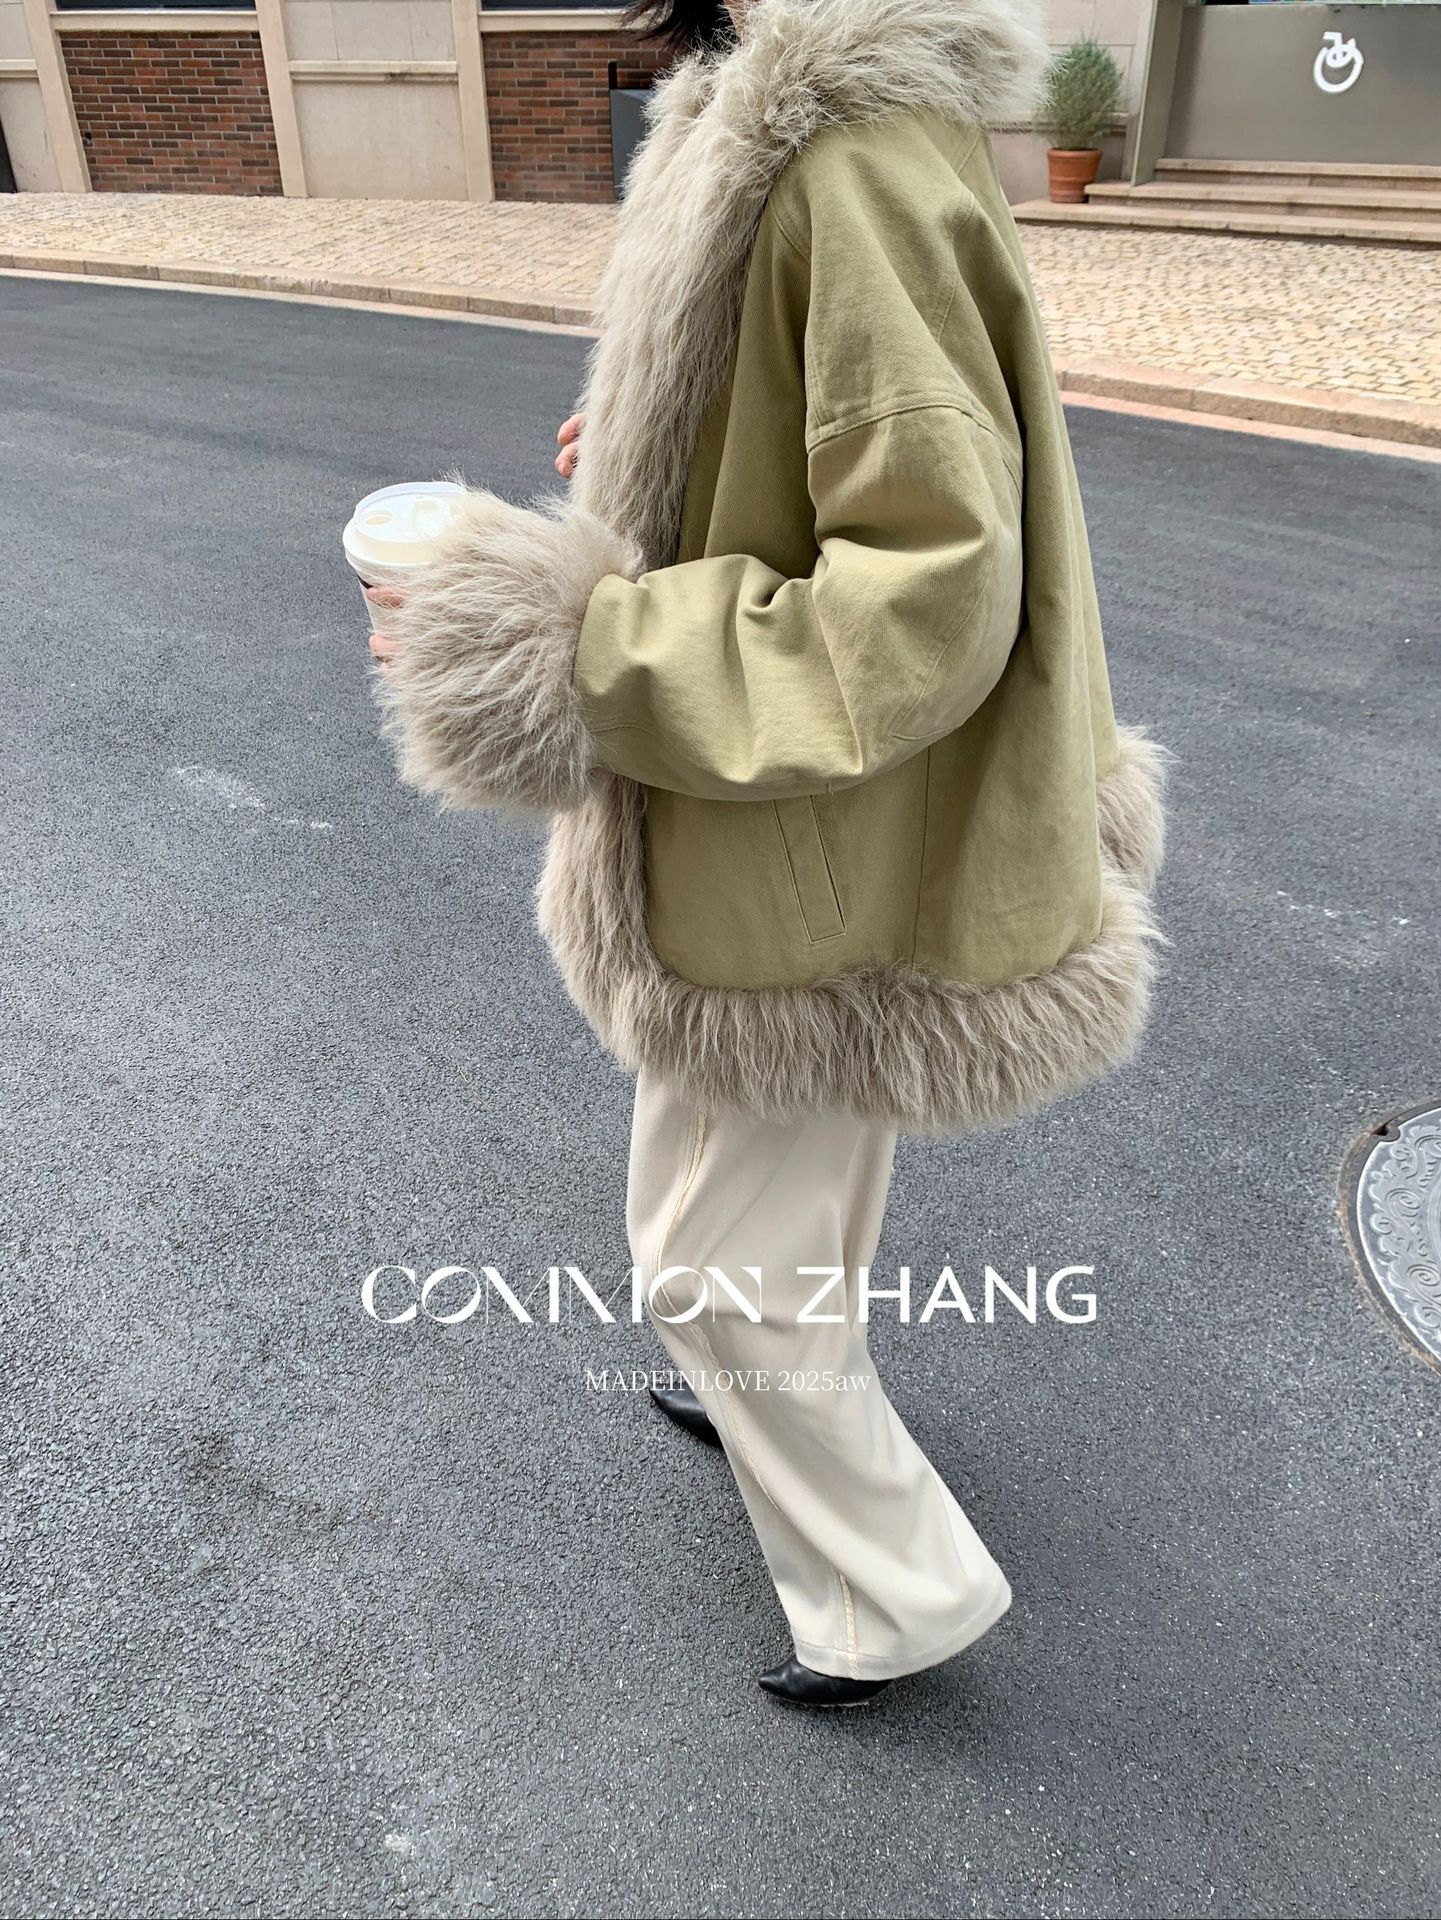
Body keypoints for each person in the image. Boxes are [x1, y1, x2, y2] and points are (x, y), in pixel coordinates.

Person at [367, 0, 1166, 1708]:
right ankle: (761, 1386)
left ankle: (896, 1596)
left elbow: (930, 586)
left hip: (828, 817)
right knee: (744, 1153)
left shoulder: (845, 149)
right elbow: (839, 425)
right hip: (789, 812)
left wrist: (570, 646)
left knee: (710, 1261)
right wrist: (669, 450)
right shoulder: (772, 111)